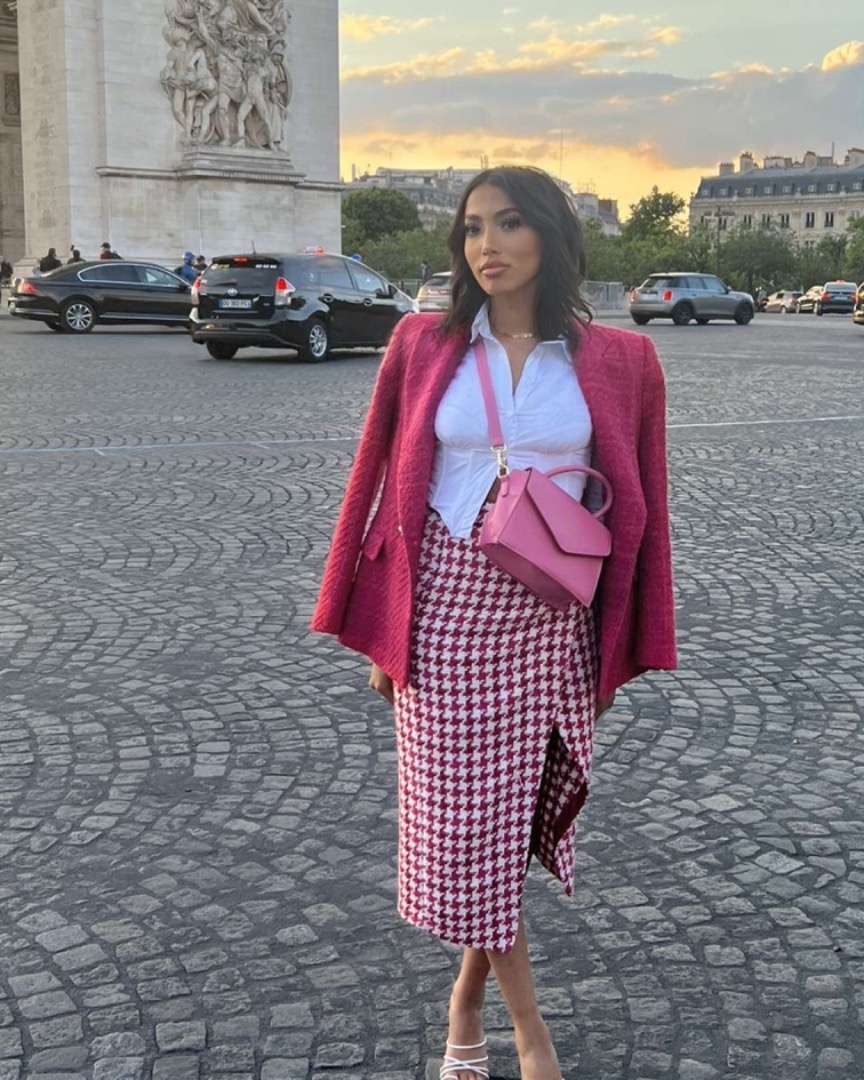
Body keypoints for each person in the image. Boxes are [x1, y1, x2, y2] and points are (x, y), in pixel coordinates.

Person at [311, 166, 676, 1080]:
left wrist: (622, 644)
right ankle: (526, 1030)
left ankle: (465, 998)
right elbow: (376, 479)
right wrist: (379, 630)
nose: (487, 245)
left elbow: (646, 510)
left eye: (509, 224)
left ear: (550, 235)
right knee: (467, 819)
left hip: (551, 621)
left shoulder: (623, 361)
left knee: (510, 818)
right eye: (473, 228)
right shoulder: (420, 342)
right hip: (442, 613)